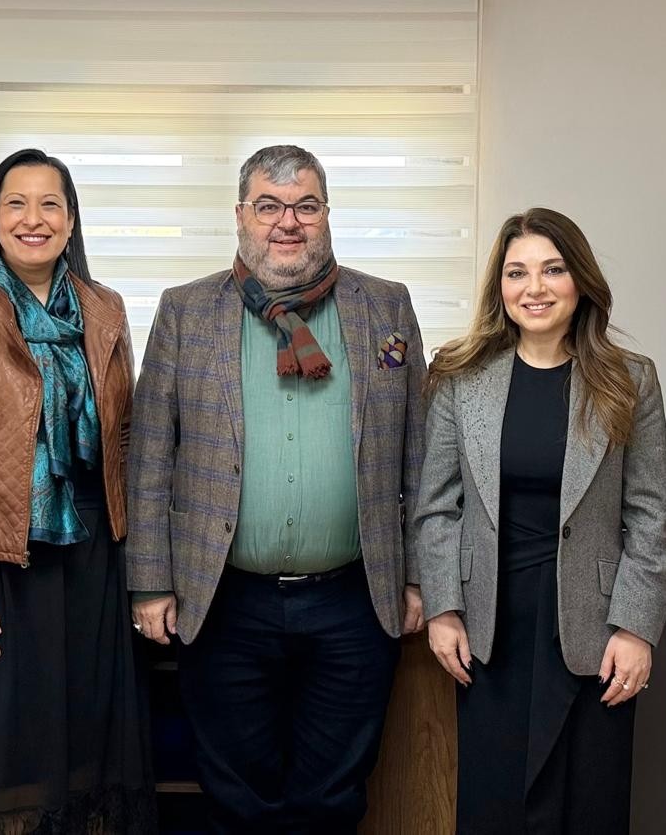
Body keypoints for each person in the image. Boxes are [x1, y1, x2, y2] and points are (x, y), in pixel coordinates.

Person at [126, 145, 427, 834]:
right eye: (269, 206)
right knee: (237, 799)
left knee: (334, 798)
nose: (287, 222)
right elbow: (150, 458)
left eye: (305, 206)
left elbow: (417, 453)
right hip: (224, 601)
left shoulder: (385, 306)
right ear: (241, 215)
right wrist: (150, 584)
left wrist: (418, 578)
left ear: (326, 214)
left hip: (354, 601)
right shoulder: (185, 311)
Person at [0, 148, 155, 834]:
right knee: (3, 771)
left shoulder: (105, 310)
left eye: (50, 204)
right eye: (16, 203)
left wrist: (145, 571)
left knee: (87, 760)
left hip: (94, 566)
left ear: (71, 222)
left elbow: (126, 441)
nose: (33, 219)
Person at [412, 208, 666, 833]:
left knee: (589, 806)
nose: (534, 288)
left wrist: (636, 628)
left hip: (596, 631)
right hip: (490, 628)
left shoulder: (630, 379)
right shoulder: (459, 375)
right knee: (495, 807)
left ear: (579, 280)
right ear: (499, 287)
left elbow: (650, 514)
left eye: (553, 270)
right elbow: (436, 506)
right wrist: (443, 608)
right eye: (517, 273)